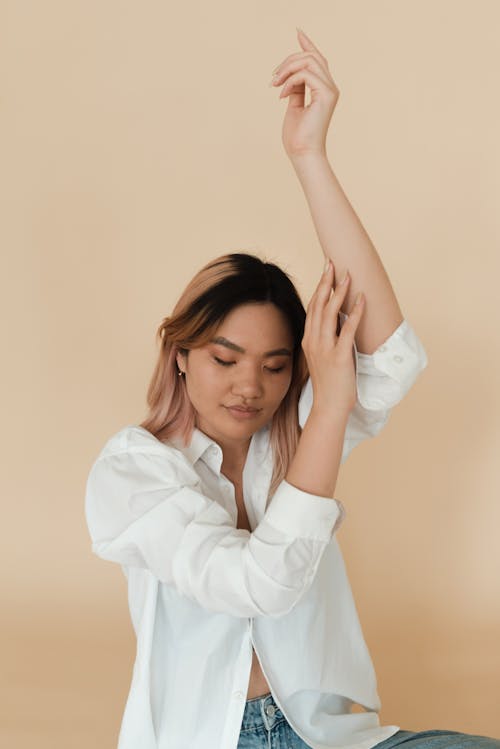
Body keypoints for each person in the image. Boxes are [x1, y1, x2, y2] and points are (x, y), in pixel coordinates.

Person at [84, 27, 500, 749]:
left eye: (278, 364)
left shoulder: (295, 433)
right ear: (180, 353)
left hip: (332, 735)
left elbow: (393, 357)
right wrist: (332, 404)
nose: (251, 385)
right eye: (225, 357)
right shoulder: (132, 470)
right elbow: (258, 582)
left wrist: (309, 156)